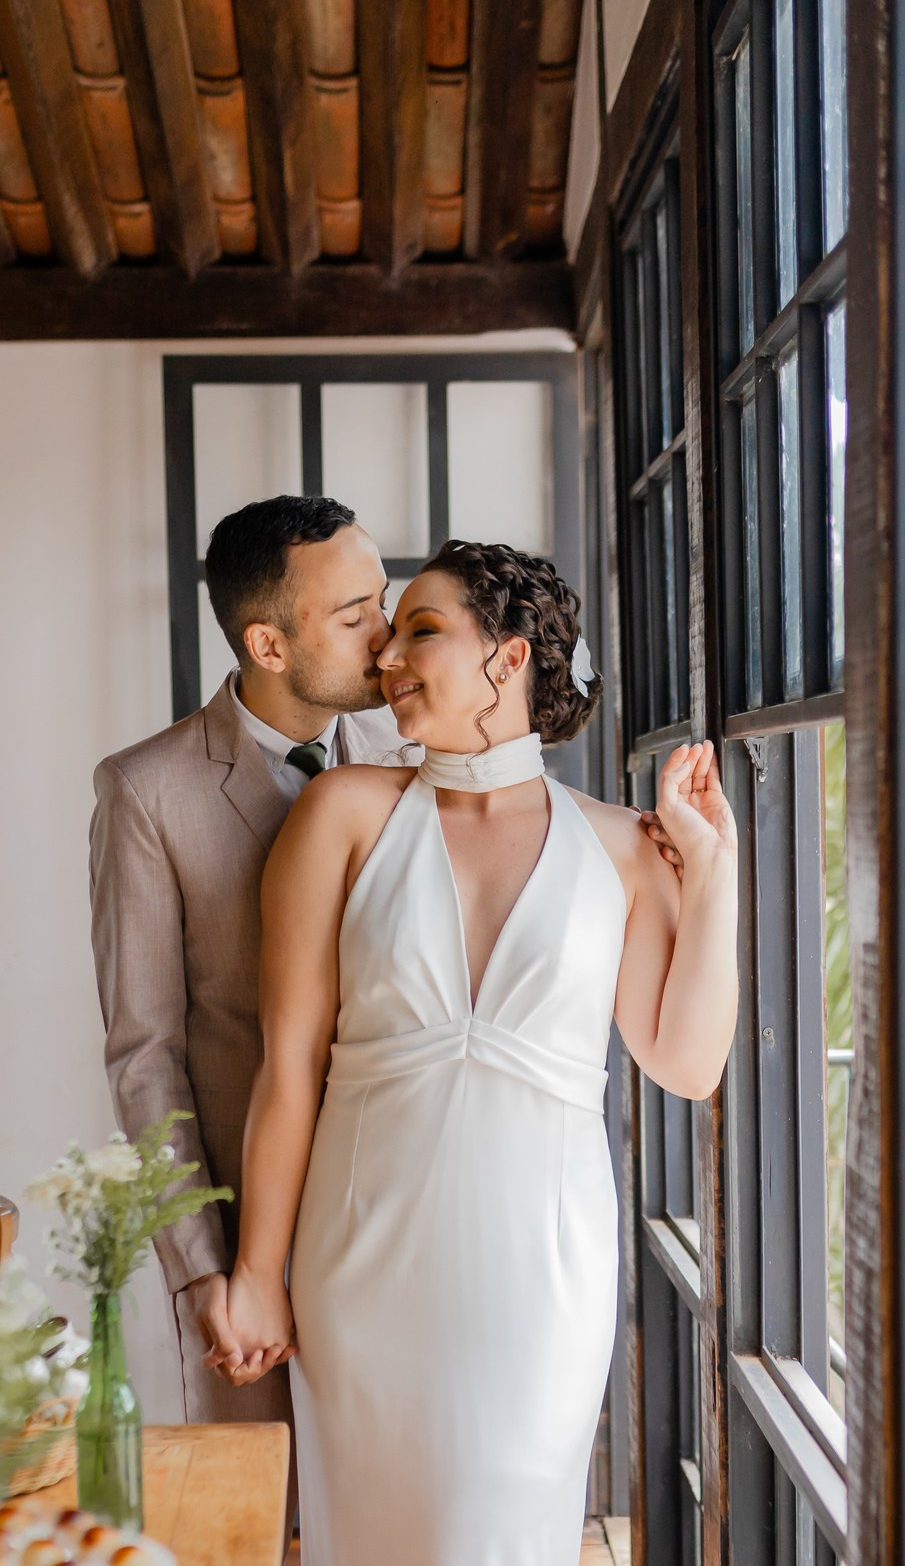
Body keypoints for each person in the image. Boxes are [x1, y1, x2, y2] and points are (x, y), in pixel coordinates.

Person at [223, 538, 739, 1566]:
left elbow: (687, 1064)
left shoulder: (621, 847)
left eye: (420, 630)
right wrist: (256, 1271)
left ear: (508, 658)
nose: (386, 658)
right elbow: (288, 1070)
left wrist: (712, 867)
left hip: (544, 1285)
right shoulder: (342, 814)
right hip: (359, 1273)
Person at [89, 494, 400, 1532]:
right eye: (353, 615)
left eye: (382, 600)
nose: (387, 633)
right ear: (268, 643)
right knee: (264, 1522)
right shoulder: (146, 792)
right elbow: (145, 1056)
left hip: (404, 1217)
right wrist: (205, 1273)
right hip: (248, 1237)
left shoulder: (415, 753)